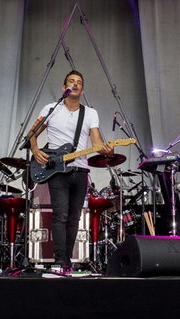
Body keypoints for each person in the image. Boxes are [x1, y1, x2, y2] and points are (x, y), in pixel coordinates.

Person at [30, 70, 113, 271]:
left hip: (80, 171)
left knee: (74, 217)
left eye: (79, 82)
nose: (75, 84)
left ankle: (67, 261)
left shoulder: (90, 113)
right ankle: (60, 261)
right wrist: (35, 149)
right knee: (60, 216)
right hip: (57, 171)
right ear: (64, 88)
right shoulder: (51, 108)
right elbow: (32, 133)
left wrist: (107, 149)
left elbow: (96, 142)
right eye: (71, 81)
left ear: (82, 90)